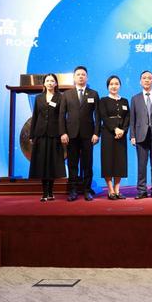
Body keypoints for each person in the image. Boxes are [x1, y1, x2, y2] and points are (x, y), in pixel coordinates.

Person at [59, 66, 99, 202]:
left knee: (87, 164)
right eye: (78, 74)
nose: (81, 76)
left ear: (87, 77)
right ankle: (73, 190)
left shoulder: (93, 94)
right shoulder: (67, 94)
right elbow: (61, 115)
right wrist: (63, 132)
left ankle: (87, 190)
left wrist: (96, 133)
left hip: (88, 135)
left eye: (83, 74)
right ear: (74, 77)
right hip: (71, 135)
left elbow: (97, 115)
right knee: (73, 164)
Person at [29, 73, 66, 201]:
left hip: (54, 134)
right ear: (44, 83)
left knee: (52, 164)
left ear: (56, 83)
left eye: (52, 81)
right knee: (42, 164)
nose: (50, 83)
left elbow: (62, 117)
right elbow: (35, 116)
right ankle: (44, 193)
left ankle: (51, 192)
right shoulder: (39, 98)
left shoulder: (61, 97)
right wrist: (32, 135)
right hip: (40, 135)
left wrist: (63, 133)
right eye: (47, 81)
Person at [130, 71, 152, 199]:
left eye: (149, 78)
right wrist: (132, 136)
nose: (147, 80)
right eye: (144, 78)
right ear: (140, 81)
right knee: (141, 165)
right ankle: (141, 190)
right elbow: (132, 119)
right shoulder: (135, 98)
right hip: (140, 135)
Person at [98, 75, 130, 200]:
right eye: (111, 84)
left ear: (120, 86)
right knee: (108, 161)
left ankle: (117, 190)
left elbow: (127, 117)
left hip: (121, 135)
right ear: (108, 86)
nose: (114, 86)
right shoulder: (103, 100)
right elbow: (104, 117)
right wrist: (115, 128)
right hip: (108, 134)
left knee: (120, 162)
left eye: (116, 84)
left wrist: (123, 130)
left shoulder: (125, 101)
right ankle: (110, 190)